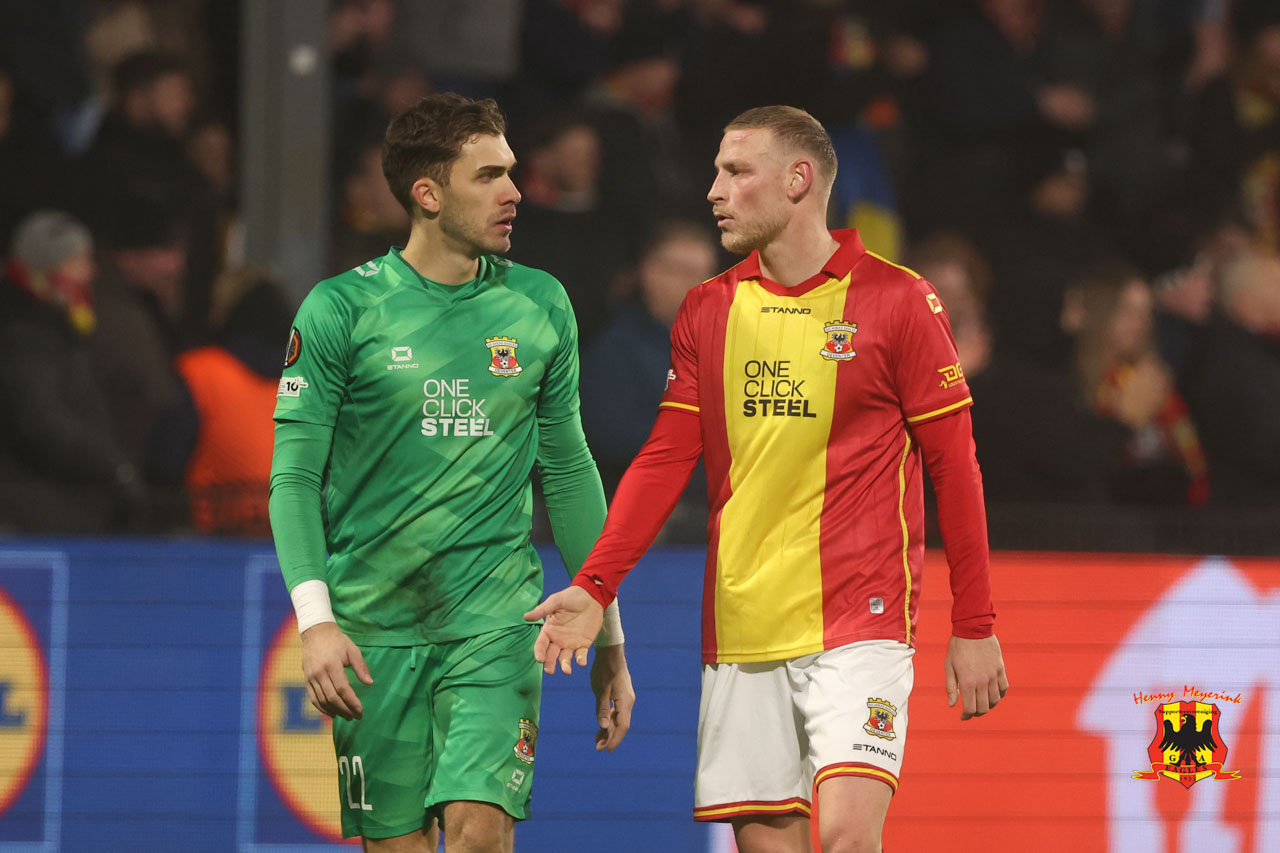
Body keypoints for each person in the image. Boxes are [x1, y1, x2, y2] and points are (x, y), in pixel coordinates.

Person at [526, 105, 1008, 853]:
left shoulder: (899, 300)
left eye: (735, 171)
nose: (714, 190)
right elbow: (661, 462)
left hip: (862, 620)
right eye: (717, 170)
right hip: (742, 625)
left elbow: (955, 465)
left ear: (797, 180)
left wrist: (974, 623)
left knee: (848, 836)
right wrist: (594, 586)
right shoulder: (708, 309)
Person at [268, 92, 634, 853]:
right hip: (374, 631)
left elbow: (567, 469)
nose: (515, 192)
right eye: (489, 176)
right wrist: (316, 622)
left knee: (478, 834)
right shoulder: (340, 311)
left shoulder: (540, 304)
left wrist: (610, 637)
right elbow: (293, 480)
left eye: (512, 172)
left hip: (496, 624)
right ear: (428, 195)